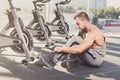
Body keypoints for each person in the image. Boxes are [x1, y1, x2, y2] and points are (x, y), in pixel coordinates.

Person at [39, 11, 106, 69]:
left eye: (78, 23)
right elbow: (75, 44)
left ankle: (53, 60)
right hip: (89, 56)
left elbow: (80, 49)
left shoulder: (93, 32)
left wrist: (61, 49)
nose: (77, 26)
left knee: (75, 39)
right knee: (75, 39)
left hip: (96, 60)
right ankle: (72, 59)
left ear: (85, 21)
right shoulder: (83, 30)